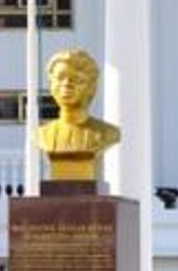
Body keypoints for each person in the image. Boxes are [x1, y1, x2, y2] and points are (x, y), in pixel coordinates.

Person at [35, 47, 120, 182]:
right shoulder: (42, 134)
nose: (67, 84)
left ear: (91, 87)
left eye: (76, 79)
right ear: (51, 84)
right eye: (61, 77)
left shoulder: (107, 133)